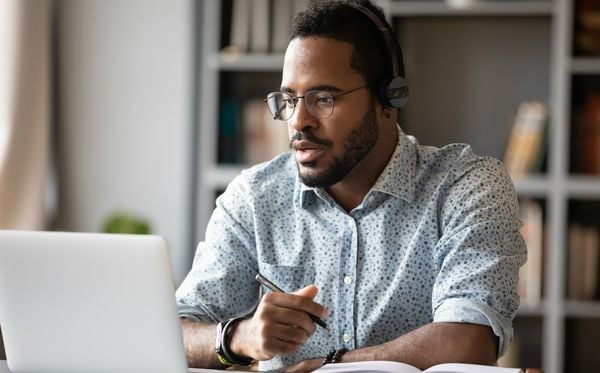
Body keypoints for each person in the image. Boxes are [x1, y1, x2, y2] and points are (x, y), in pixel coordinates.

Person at [176, 0, 526, 371]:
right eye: (289, 100)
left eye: (322, 98)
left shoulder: (466, 186)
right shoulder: (254, 198)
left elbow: (468, 341)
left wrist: (328, 366)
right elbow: (174, 332)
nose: (298, 121)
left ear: (388, 98)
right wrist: (236, 337)